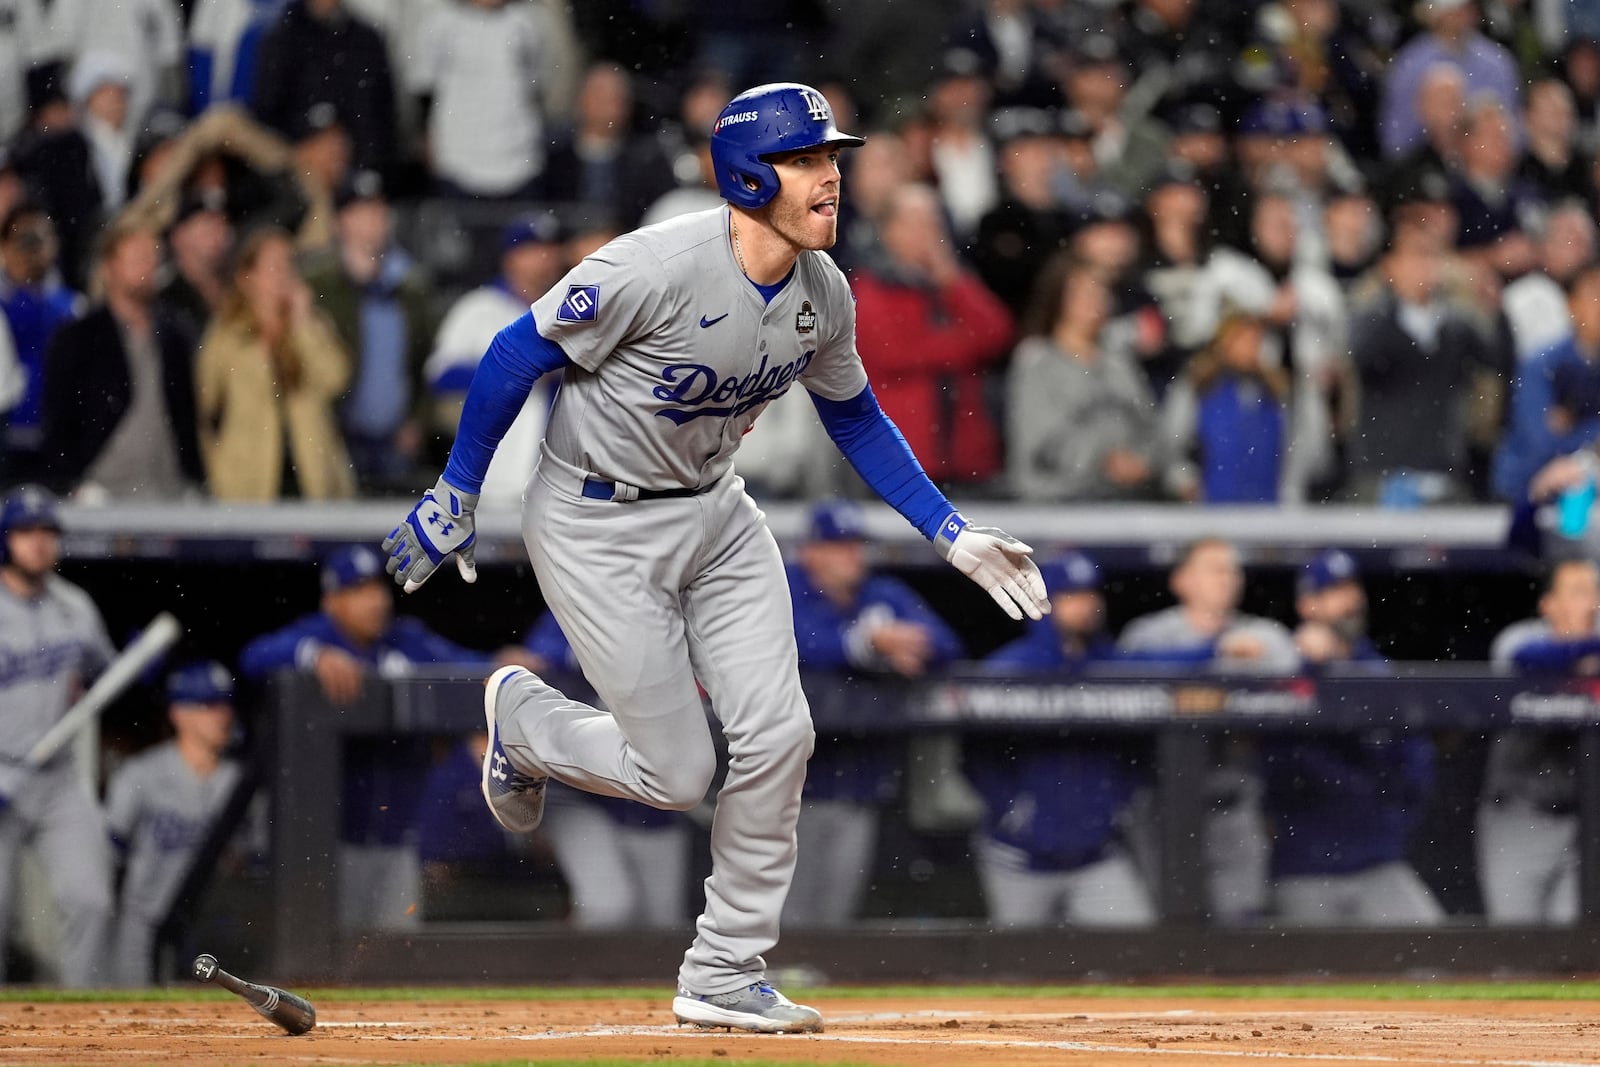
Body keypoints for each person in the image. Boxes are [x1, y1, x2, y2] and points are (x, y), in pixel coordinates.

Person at [380, 81, 1047, 1034]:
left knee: (781, 734)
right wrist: (456, 489)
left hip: (719, 513)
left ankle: (727, 967)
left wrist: (951, 529)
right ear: (746, 172)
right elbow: (512, 352)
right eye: (809, 160)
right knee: (680, 774)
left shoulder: (825, 289)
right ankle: (523, 721)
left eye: (832, 160)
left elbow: (853, 414)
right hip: (593, 521)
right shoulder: (653, 266)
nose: (831, 178)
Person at [239, 544, 505, 930]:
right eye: (358, 591)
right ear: (333, 602)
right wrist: (311, 654)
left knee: (395, 955)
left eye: (376, 588)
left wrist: (505, 664)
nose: (375, 601)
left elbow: (464, 667)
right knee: (331, 953)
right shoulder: (317, 636)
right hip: (333, 842)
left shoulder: (404, 640)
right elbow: (253, 657)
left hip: (398, 837)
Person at [783, 499, 965, 929]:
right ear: (810, 551)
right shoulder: (785, 583)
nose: (851, 555)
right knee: (785, 914)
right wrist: (867, 646)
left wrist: (885, 649)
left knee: (834, 915)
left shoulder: (880, 594)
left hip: (857, 781)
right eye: (837, 546)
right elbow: (794, 644)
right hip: (787, 785)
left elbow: (945, 644)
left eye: (855, 545)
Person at [966, 551, 1157, 928]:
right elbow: (973, 754)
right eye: (1071, 595)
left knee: (1137, 953)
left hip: (1096, 856)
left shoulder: (1112, 666)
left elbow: (1140, 746)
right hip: (1020, 859)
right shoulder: (1009, 669)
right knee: (1016, 972)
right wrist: (1013, 810)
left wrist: (1118, 803)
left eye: (1090, 594)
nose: (1086, 605)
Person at [1118, 537, 1298, 925]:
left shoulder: (1265, 637)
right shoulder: (1150, 635)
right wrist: (1214, 651)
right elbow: (1125, 675)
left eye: (1233, 570)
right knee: (1167, 927)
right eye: (1214, 568)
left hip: (1234, 800)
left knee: (1240, 925)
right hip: (1162, 804)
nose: (1227, 578)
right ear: (1182, 580)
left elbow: (1300, 689)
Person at [1263, 550, 1442, 926]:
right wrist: (1312, 669)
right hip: (1304, 866)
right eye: (1334, 592)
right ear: (1307, 605)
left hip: (1376, 863)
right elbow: (1278, 766)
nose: (1350, 601)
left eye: (1351, 589)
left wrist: (1388, 824)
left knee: (1436, 958)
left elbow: (1415, 766)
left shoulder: (1377, 672)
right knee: (1307, 979)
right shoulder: (1282, 670)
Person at [0, 485, 115, 986]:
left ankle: (82, 1026)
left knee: (90, 899)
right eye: (27, 532)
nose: (40, 543)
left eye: (48, 532)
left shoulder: (76, 608)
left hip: (59, 778)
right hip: (1, 772)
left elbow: (105, 674)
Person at [39, 217, 204, 501]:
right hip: (101, 491)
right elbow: (60, 420)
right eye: (138, 258)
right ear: (108, 267)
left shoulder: (176, 335)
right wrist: (68, 482)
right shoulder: (77, 339)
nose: (149, 267)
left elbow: (190, 414)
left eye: (154, 257)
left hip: (169, 489)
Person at [105, 661, 244, 985]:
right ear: (179, 713)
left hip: (214, 929)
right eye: (208, 705)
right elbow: (109, 854)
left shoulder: (239, 782)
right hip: (144, 923)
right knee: (131, 1016)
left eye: (224, 704)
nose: (222, 714)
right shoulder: (141, 774)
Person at [1479, 558, 1600, 925]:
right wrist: (1583, 652)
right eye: (1579, 592)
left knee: (1578, 952)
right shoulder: (1521, 637)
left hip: (1584, 824)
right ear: (1548, 604)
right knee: (1517, 943)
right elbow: (1524, 659)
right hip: (1520, 816)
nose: (1593, 602)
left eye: (1595, 592)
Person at [195, 225, 355, 500]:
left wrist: (303, 324)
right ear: (247, 277)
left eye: (287, 265)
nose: (283, 276)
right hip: (248, 478)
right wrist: (217, 467)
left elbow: (336, 380)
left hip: (310, 470)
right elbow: (204, 402)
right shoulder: (225, 334)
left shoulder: (311, 324)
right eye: (273, 267)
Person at [301, 169, 435, 494]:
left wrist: (417, 419)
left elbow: (425, 360)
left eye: (378, 208)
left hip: (395, 439)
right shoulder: (317, 286)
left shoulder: (410, 288)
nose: (374, 218)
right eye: (361, 210)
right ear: (339, 222)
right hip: (336, 435)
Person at [425, 213, 572, 506]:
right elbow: (440, 376)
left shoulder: (568, 313)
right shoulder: (479, 307)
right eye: (533, 249)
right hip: (492, 474)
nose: (545, 257)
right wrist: (512, 372)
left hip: (554, 480)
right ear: (510, 257)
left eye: (551, 249)